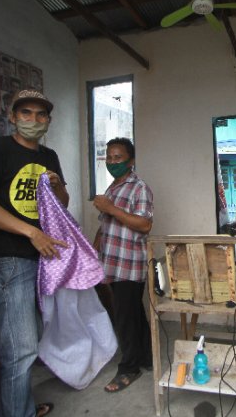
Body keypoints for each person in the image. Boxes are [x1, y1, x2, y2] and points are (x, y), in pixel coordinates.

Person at [0, 89, 68, 417]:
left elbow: (62, 204)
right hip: (8, 261)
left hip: (40, 261)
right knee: (21, 350)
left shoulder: (49, 156)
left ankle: (19, 408)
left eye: (41, 115)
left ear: (48, 121)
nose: (33, 120)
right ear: (12, 116)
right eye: (26, 113)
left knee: (25, 345)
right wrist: (31, 232)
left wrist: (55, 186)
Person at [93, 137, 153, 393]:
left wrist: (111, 208)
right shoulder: (112, 189)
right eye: (110, 157)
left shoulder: (139, 188)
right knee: (133, 313)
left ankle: (129, 368)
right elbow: (105, 225)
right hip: (112, 262)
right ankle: (148, 357)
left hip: (129, 263)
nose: (113, 162)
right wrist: (93, 249)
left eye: (118, 158)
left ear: (131, 160)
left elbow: (145, 224)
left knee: (125, 317)